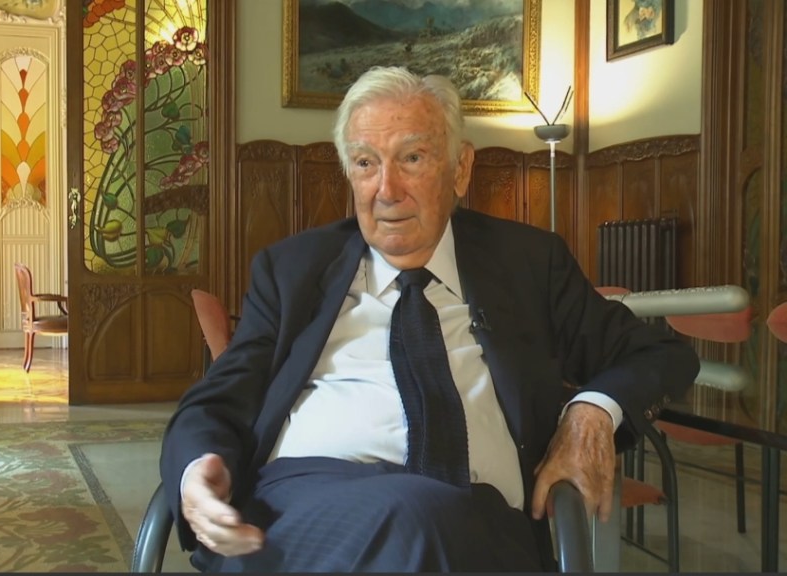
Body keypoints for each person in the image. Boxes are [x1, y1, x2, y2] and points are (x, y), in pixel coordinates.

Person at [159, 65, 699, 572]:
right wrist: (197, 469)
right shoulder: (293, 270)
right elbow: (219, 398)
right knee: (413, 520)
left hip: (480, 523)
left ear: (461, 168)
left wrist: (591, 412)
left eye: (412, 158)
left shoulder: (529, 263)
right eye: (365, 163)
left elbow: (660, 353)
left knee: (424, 520)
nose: (386, 190)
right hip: (306, 508)